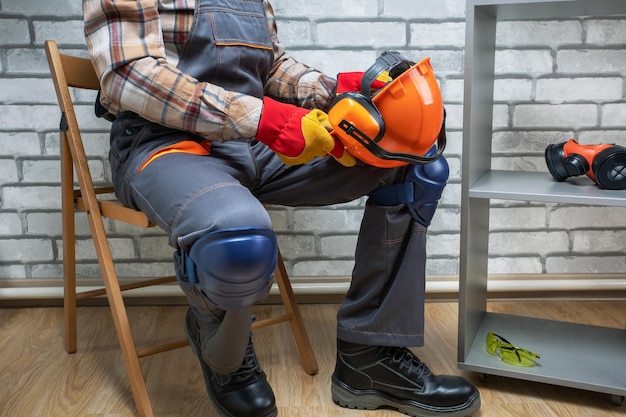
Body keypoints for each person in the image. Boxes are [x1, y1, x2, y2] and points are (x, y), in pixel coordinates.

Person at [82, 1, 481, 416]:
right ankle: (225, 358)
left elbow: (270, 69)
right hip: (166, 143)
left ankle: (371, 357)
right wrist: (267, 121)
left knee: (413, 166)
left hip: (251, 142)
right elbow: (129, 75)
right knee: (239, 239)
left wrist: (341, 95)